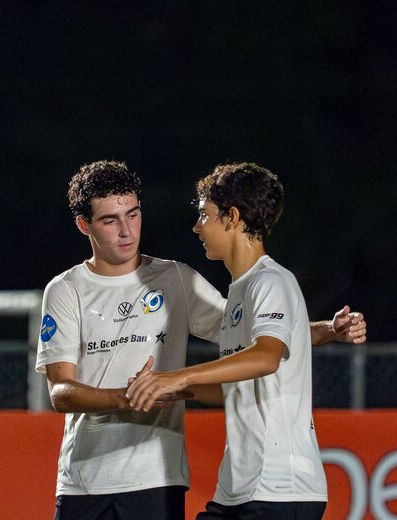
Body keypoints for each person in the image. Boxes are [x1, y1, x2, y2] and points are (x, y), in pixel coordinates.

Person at [36, 160, 366, 520]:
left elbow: (265, 342)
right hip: (85, 479)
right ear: (85, 224)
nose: (126, 230)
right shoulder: (66, 289)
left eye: (133, 214)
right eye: (110, 220)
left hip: (162, 476)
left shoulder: (182, 278)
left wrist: (326, 331)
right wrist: (138, 395)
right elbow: (59, 391)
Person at [127, 162, 335, 520]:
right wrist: (173, 390)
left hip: (279, 490)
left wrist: (180, 376)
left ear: (232, 217)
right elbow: (239, 388)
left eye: (204, 215)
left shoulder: (270, 282)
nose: (197, 226)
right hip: (240, 491)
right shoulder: (241, 291)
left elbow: (266, 357)